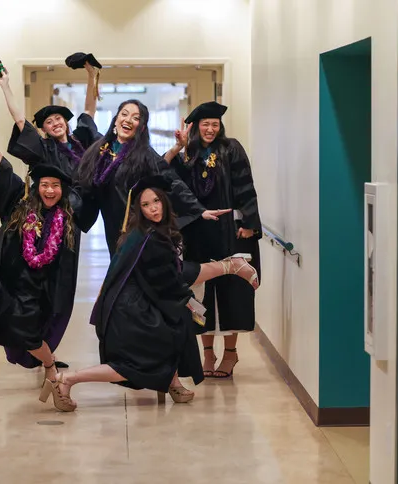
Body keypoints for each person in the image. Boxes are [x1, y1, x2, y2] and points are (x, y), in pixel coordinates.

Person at [39, 176, 259, 412]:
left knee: (176, 329)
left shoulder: (144, 233)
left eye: (156, 201)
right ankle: (66, 379)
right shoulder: (149, 238)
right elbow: (178, 276)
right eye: (145, 205)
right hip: (130, 313)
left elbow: (167, 279)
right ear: (139, 209)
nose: (153, 208)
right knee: (130, 367)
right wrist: (227, 267)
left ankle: (172, 382)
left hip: (134, 305)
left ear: (164, 201)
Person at [0, 124, 82, 401]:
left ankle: (49, 364)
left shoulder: (65, 223)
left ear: (62, 189)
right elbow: (0, 164)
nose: (50, 190)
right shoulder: (21, 203)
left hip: (30, 284)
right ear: (37, 186)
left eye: (55, 186)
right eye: (44, 185)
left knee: (29, 334)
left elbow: (61, 268)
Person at [163, 101, 262, 379]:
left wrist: (250, 224)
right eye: (205, 124)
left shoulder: (231, 148)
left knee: (233, 291)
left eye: (214, 125)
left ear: (220, 127)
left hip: (231, 231)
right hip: (197, 231)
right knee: (201, 292)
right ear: (195, 127)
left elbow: (245, 185)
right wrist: (179, 148)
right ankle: (207, 353)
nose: (210, 129)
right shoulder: (187, 153)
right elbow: (164, 176)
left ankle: (230, 353)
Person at [74, 99, 230, 256]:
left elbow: (170, 179)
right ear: (116, 120)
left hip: (137, 227)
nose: (128, 120)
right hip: (112, 227)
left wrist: (197, 209)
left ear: (141, 127)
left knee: (133, 271)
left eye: (135, 118)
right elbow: (88, 119)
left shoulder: (144, 154)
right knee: (118, 269)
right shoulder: (100, 149)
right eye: (124, 114)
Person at [0, 56, 101, 178]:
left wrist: (91, 75)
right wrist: (5, 86)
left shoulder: (81, 140)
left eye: (58, 118)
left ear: (65, 122)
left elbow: (89, 110)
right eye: (49, 122)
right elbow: (19, 120)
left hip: (85, 196)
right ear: (44, 129)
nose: (55, 123)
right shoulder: (44, 148)